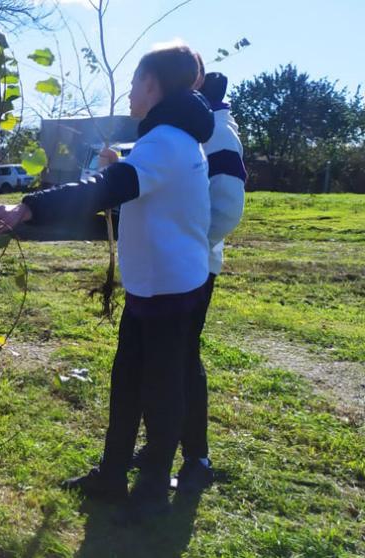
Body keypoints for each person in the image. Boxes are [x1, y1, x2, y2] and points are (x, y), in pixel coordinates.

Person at [0, 43, 213, 523]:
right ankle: (112, 474)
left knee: (162, 391)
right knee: (128, 382)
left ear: (152, 84)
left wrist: (28, 207)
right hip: (155, 287)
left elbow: (106, 189)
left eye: (134, 81)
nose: (129, 91)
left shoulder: (167, 141)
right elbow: (127, 195)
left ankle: (151, 491)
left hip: (168, 292)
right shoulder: (176, 138)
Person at [173, 71, 247, 492]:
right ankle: (165, 445)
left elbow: (229, 206)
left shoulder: (218, 133)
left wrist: (192, 248)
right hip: (183, 264)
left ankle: (196, 457)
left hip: (196, 267)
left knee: (183, 359)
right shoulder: (200, 130)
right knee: (169, 359)